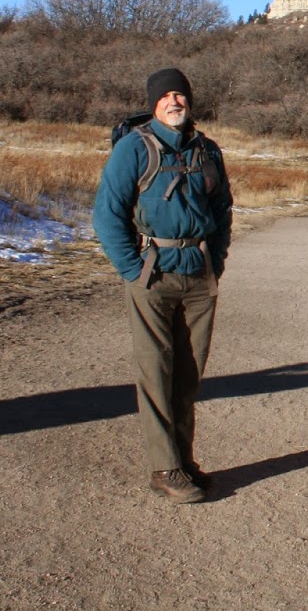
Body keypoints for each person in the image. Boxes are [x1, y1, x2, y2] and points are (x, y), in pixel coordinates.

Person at [94, 67, 233, 504]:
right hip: (152, 274)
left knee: (189, 375)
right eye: (166, 96)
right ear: (154, 103)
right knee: (156, 371)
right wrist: (132, 269)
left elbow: (223, 211)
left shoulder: (207, 150)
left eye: (181, 95)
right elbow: (107, 214)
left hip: (198, 273)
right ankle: (164, 468)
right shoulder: (134, 148)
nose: (175, 102)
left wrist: (218, 260)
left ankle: (184, 461)